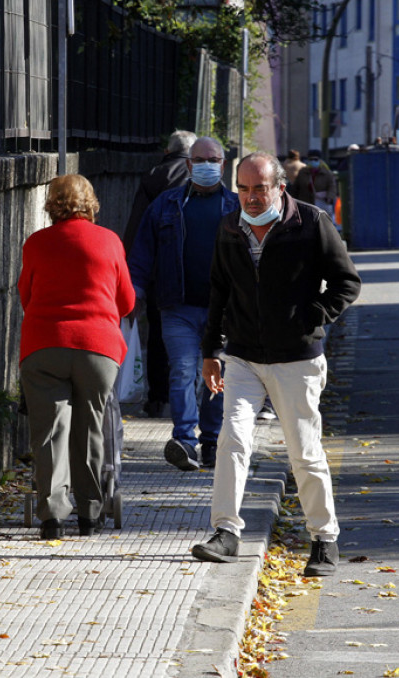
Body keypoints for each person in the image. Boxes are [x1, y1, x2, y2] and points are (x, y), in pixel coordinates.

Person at [192, 152, 361, 577]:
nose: (250, 197)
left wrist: (312, 317)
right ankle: (226, 533)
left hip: (296, 359)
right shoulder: (230, 228)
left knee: (304, 451)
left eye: (259, 188)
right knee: (232, 440)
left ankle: (324, 540)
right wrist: (211, 351)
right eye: (243, 188)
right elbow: (218, 290)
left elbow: (347, 282)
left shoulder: (311, 223)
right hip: (244, 356)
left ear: (279, 187)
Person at [18, 174, 136, 539]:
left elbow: (26, 296)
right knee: (91, 428)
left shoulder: (36, 243)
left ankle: (52, 517)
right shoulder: (110, 241)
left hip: (44, 345)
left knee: (50, 430)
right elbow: (127, 301)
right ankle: (90, 513)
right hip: (98, 349)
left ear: (51, 204)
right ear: (91, 203)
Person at [128, 136, 240, 470]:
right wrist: (133, 291)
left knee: (217, 377)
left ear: (223, 164)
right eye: (200, 159)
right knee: (181, 372)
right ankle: (185, 442)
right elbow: (141, 253)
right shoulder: (165, 204)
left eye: (213, 159)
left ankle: (211, 442)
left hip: (224, 313)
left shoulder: (237, 207)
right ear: (189, 165)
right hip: (177, 308)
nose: (207, 165)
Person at [124, 131, 198, 418]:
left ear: (169, 150)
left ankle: (157, 398)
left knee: (157, 333)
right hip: (193, 270)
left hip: (157, 271)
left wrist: (134, 278)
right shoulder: (202, 176)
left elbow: (136, 227)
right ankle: (190, 398)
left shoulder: (154, 175)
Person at [292, 149, 337, 220]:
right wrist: (293, 202)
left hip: (321, 204)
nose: (313, 161)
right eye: (311, 159)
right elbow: (295, 188)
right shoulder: (302, 172)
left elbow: (332, 187)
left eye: (315, 159)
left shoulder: (327, 173)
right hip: (305, 204)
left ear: (320, 160)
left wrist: (328, 197)